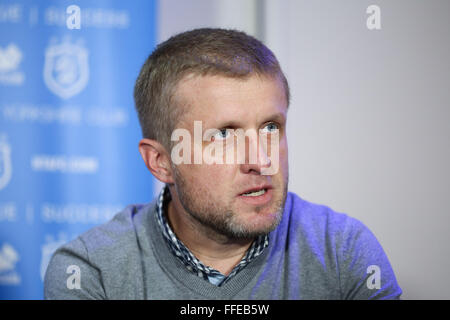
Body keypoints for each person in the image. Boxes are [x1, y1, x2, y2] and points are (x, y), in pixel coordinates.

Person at [44, 28, 402, 299]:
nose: (261, 160)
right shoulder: (91, 272)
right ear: (161, 162)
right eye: (224, 135)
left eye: (271, 127)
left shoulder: (343, 251)